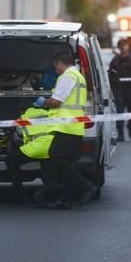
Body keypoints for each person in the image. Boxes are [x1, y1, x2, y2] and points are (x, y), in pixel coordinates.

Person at [34, 52, 96, 209]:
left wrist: (43, 102)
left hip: (66, 125)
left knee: (56, 156)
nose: (56, 70)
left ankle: (85, 186)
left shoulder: (67, 77)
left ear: (61, 63)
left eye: (56, 66)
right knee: (68, 162)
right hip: (75, 126)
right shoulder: (79, 76)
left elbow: (56, 101)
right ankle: (68, 198)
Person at [5, 106, 58, 204]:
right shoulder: (50, 114)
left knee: (11, 160)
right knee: (47, 168)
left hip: (35, 148)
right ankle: (50, 193)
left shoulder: (23, 117)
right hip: (52, 147)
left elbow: (17, 139)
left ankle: (20, 195)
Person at [109, 39, 131, 141]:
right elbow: (111, 76)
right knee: (120, 113)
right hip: (119, 90)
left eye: (124, 45)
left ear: (128, 46)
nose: (123, 47)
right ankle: (120, 134)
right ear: (118, 47)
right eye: (121, 46)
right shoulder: (115, 60)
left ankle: (130, 127)